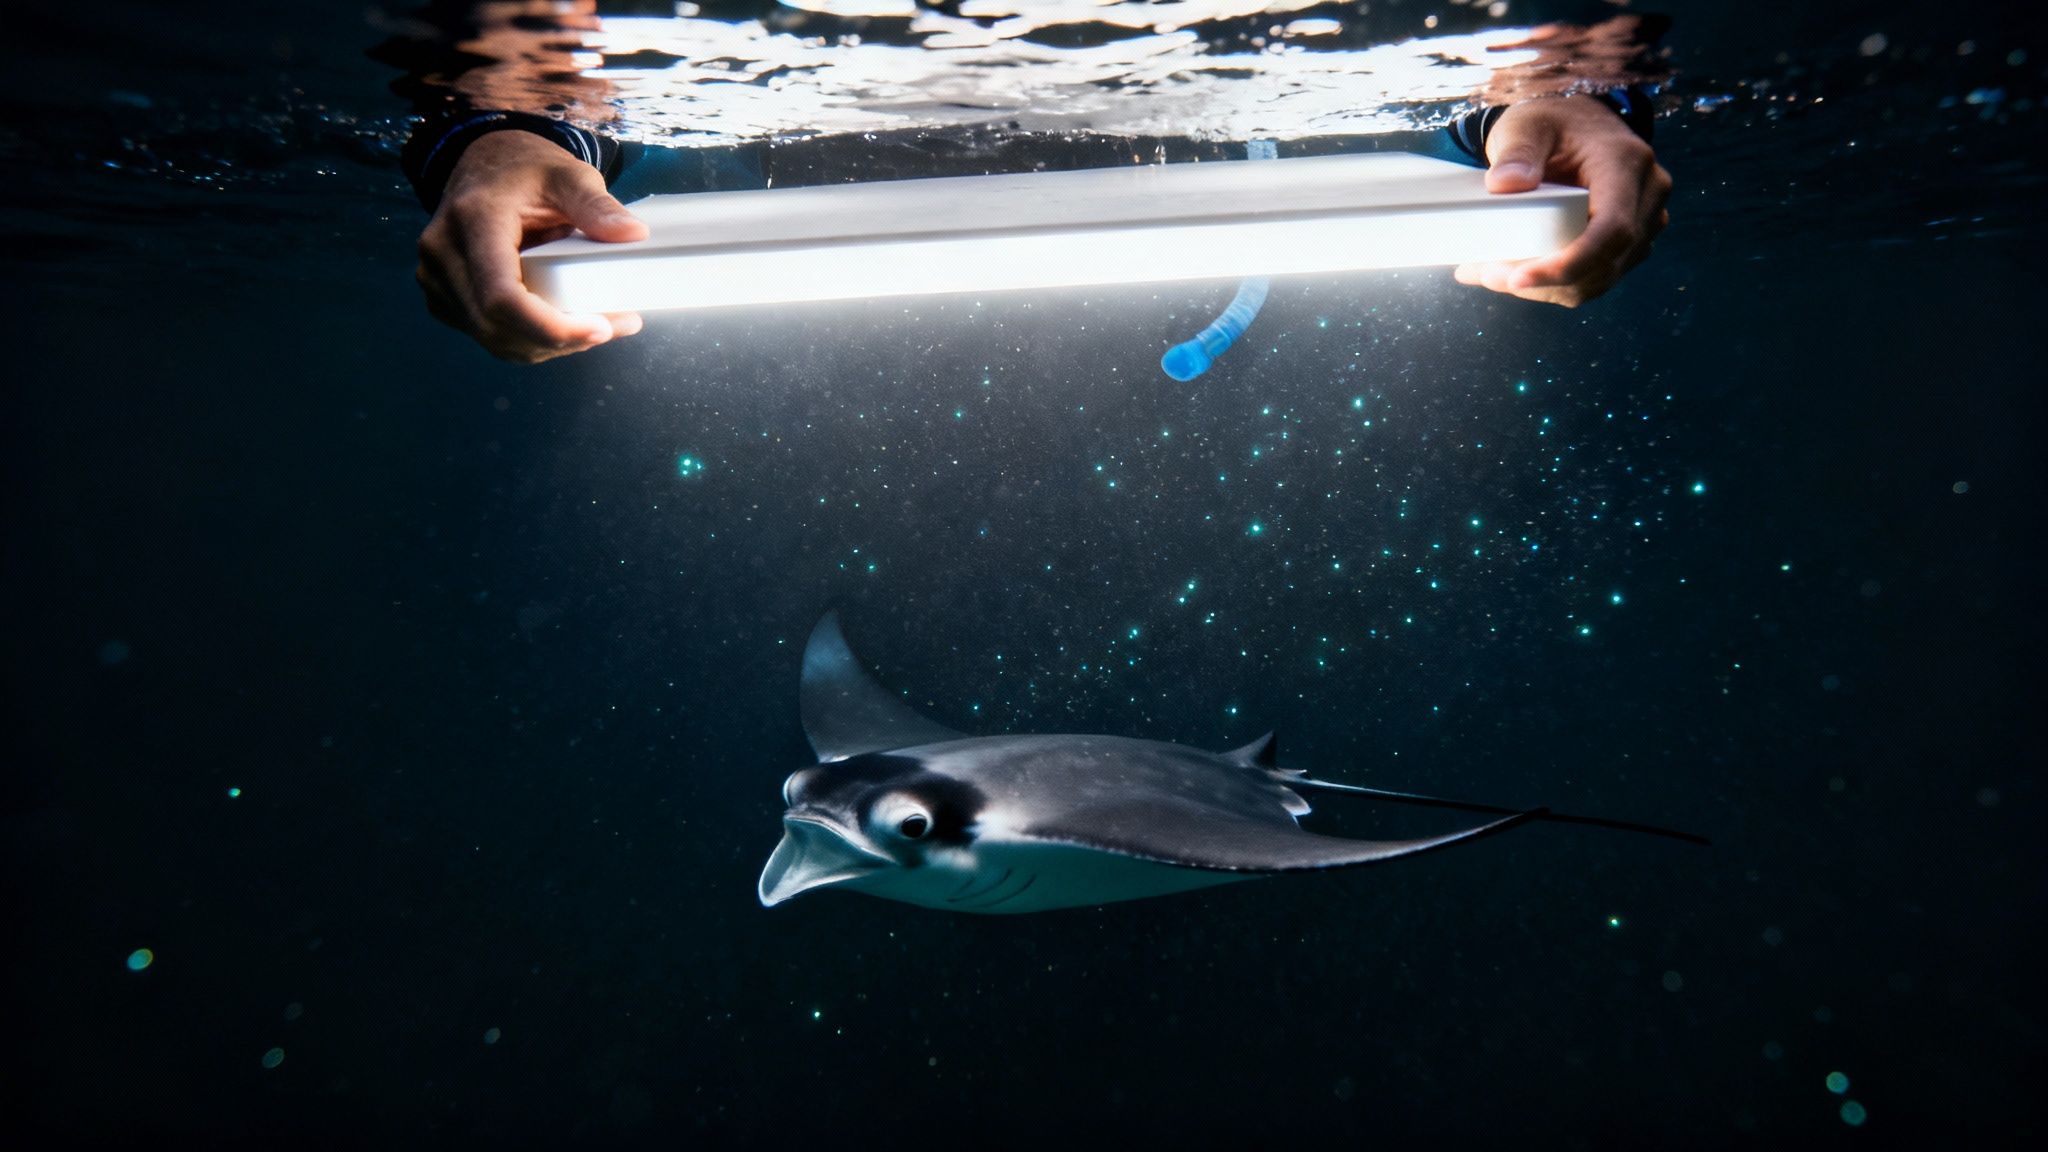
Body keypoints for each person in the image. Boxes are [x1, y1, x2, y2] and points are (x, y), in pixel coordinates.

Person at [398, 5, 1672, 364]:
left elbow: (1537, 46)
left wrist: (1566, 95)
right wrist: (491, 138)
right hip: (824, 330)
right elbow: (522, 63)